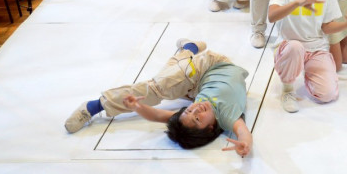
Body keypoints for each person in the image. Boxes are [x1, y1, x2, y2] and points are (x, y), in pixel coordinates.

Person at [65, 39, 252, 157]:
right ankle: (189, 49)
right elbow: (243, 132)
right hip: (213, 67)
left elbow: (156, 115)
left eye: (189, 111)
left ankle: (95, 106)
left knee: (161, 84)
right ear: (210, 128)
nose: (195, 109)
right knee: (162, 84)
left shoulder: (194, 112)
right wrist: (245, 143)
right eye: (196, 117)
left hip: (201, 77)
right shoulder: (227, 117)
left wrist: (137, 107)